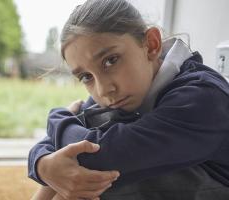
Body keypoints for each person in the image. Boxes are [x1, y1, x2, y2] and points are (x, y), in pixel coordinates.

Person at [28, 0, 229, 199]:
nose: (104, 89)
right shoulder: (127, 91)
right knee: (73, 165)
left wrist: (57, 118)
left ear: (151, 45)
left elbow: (98, 157)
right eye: (86, 77)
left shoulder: (202, 96)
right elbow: (61, 144)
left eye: (110, 61)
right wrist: (43, 164)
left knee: (95, 180)